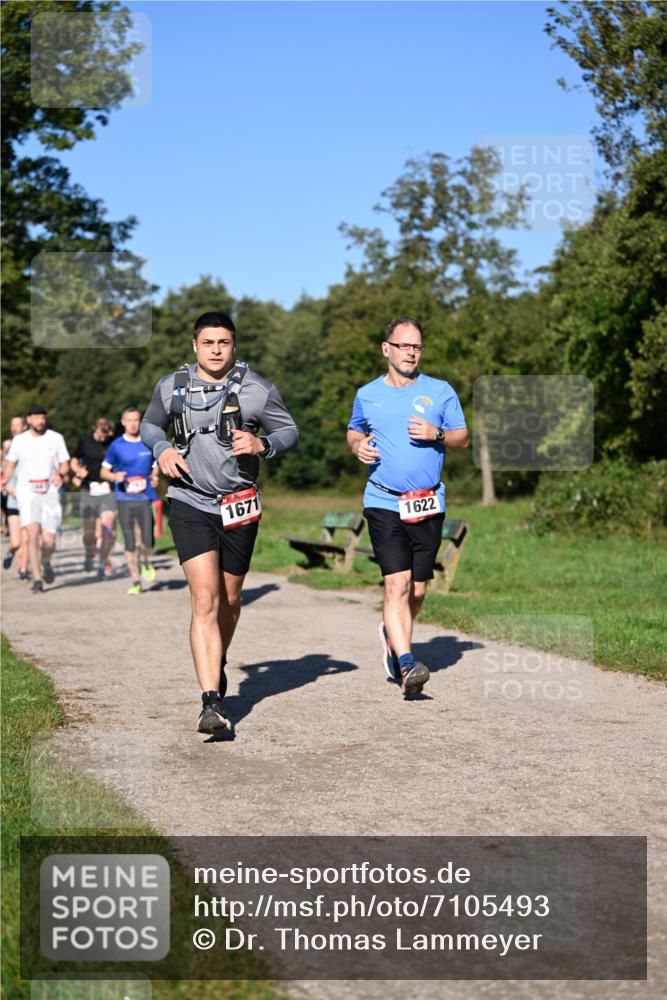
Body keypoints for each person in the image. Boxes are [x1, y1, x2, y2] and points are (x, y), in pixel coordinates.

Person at [141, 310, 298, 735]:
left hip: (239, 504)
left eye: (223, 343)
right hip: (189, 501)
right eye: (207, 342)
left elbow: (289, 431)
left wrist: (262, 443)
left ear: (234, 346)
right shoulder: (171, 386)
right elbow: (149, 424)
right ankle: (211, 701)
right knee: (205, 600)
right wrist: (161, 450)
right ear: (195, 345)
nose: (215, 350)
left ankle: (218, 659)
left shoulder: (257, 389)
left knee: (229, 599)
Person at [347, 316, 469, 697]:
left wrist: (438, 434)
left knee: (416, 591)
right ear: (387, 349)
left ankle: (391, 632)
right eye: (404, 346)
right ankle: (405, 663)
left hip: (428, 503)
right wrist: (357, 446)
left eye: (416, 346)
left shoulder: (440, 390)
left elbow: (463, 438)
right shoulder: (368, 394)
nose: (411, 352)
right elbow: (354, 428)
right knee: (396, 585)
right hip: (383, 499)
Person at [1, 405, 70, 593]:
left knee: (49, 539)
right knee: (31, 535)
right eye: (36, 418)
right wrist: (4, 478)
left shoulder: (56, 438)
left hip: (50, 493)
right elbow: (10, 465)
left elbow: (65, 464)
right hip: (27, 493)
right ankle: (37, 579)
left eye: (43, 418)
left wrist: (60, 474)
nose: (40, 421)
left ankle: (46, 561)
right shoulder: (19, 441)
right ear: (29, 420)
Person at [100, 406, 158, 595]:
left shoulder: (149, 443)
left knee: (147, 541)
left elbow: (156, 465)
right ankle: (135, 580)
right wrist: (114, 477)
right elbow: (103, 471)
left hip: (144, 498)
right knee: (130, 541)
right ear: (123, 422)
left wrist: (155, 476)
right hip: (124, 499)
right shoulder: (116, 445)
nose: (133, 424)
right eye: (129, 420)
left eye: (136, 420)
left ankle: (145, 560)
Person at [70, 417, 117, 577]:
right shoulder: (85, 441)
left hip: (106, 489)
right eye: (102, 433)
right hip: (88, 488)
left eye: (107, 434)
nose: (104, 437)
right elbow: (74, 460)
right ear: (95, 428)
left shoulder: (112, 442)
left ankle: (105, 561)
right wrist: (78, 471)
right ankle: (89, 552)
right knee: (89, 532)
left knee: (107, 527)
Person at [2, 415, 29, 577]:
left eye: (17, 425)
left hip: (28, 499)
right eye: (12, 425)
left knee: (26, 540)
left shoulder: (31, 445)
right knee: (16, 542)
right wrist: (9, 489)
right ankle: (11, 551)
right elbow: (5, 473)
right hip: (13, 499)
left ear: (24, 427)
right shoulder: (9, 446)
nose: (14, 428)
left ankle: (23, 569)